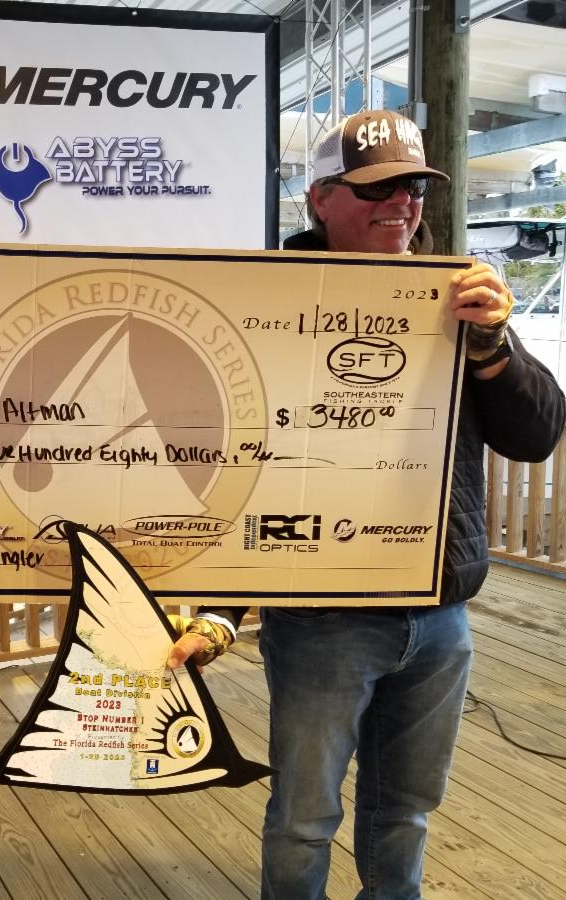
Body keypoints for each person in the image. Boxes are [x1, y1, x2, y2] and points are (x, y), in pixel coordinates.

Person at [167, 109, 566, 899]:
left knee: (406, 812)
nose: (402, 203)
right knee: (303, 816)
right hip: (322, 619)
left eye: (414, 187)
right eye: (378, 188)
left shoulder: (460, 300)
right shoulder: (265, 304)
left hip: (440, 613)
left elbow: (537, 434)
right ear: (321, 198)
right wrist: (220, 607)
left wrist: (494, 347)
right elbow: (236, 464)